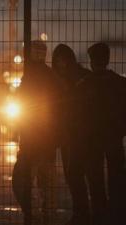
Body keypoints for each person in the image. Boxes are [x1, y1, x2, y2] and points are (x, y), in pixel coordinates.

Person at [52, 44, 106, 225]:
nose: (61, 63)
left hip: (82, 135)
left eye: (63, 59)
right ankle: (88, 214)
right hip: (73, 136)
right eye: (58, 60)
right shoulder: (71, 78)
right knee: (78, 176)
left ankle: (89, 214)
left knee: (86, 176)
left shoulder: (77, 79)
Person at [12, 40, 62, 225]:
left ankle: (34, 215)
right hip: (45, 142)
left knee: (22, 182)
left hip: (32, 141)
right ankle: (46, 216)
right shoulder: (50, 76)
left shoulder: (30, 77)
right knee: (47, 185)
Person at [81, 42, 126, 225]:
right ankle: (117, 213)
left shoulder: (85, 85)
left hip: (93, 139)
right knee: (116, 177)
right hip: (114, 137)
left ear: (92, 61)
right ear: (107, 60)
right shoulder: (120, 83)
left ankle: (99, 214)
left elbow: (79, 114)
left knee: (95, 179)